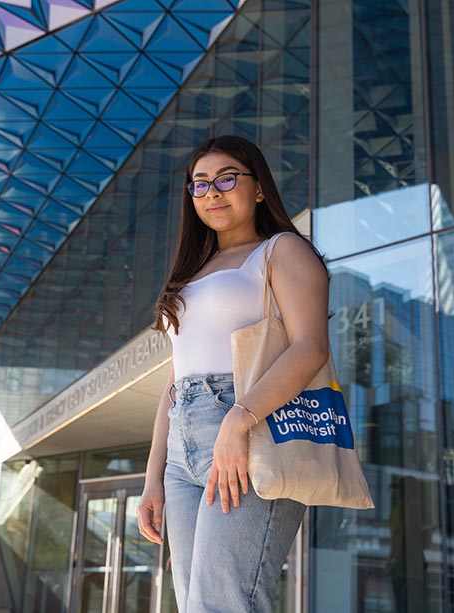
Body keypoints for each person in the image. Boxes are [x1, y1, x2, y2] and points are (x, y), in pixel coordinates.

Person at [136, 135, 330, 612]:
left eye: (226, 178)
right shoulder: (192, 269)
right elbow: (173, 383)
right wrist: (152, 476)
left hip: (250, 425)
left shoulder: (281, 250)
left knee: (224, 601)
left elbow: (310, 348)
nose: (212, 193)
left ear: (258, 188)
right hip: (183, 448)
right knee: (194, 603)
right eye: (199, 184)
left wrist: (238, 419)